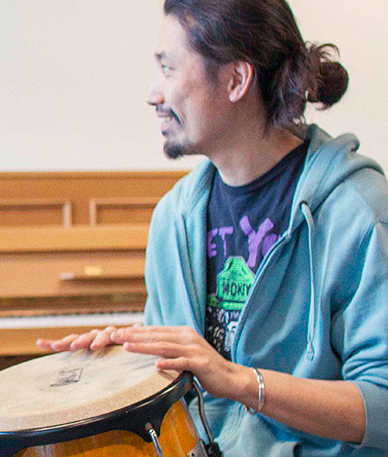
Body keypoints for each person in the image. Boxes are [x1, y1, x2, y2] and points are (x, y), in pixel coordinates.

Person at [37, 1, 388, 455]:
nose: (153, 94)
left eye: (168, 69)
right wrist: (123, 359)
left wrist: (239, 381)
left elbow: (382, 405)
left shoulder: (357, 210)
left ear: (236, 80)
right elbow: (178, 390)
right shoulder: (174, 216)